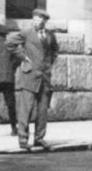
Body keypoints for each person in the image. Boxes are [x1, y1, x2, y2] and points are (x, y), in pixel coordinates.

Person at [14, 8, 59, 153]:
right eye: (34, 19)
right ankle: (23, 139)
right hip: (29, 76)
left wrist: (49, 64)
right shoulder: (26, 33)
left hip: (44, 78)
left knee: (42, 111)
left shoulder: (50, 35)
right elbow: (10, 43)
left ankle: (39, 138)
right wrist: (23, 57)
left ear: (45, 21)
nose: (35, 22)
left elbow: (54, 51)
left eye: (39, 19)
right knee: (25, 109)